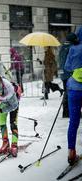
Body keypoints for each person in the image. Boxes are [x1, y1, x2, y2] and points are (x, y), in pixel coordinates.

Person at [0, 76, 21, 157]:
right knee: (2, 122)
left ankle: (14, 145)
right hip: (4, 102)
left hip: (13, 102)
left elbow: (14, 106)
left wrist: (1, 110)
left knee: (13, 123)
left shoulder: (10, 90)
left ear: (2, 89)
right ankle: (5, 142)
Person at [64, 27, 82, 166]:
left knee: (73, 122)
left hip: (74, 88)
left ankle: (71, 152)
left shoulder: (73, 49)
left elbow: (67, 67)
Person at [58, 33, 79, 118]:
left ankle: (65, 111)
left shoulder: (62, 47)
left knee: (67, 92)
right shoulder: (72, 48)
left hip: (63, 74)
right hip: (70, 73)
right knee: (71, 93)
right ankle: (70, 112)